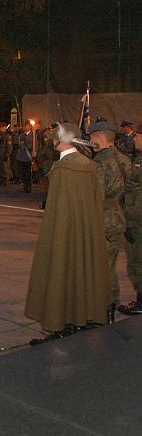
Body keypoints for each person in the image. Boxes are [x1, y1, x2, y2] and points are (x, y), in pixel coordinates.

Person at [25, 123, 112, 344]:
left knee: (61, 267)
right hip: (85, 231)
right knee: (82, 267)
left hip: (64, 231)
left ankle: (60, 320)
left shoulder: (63, 170)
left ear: (60, 140)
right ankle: (83, 315)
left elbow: (58, 212)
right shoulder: (89, 165)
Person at [89, 121, 132, 322]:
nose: (90, 140)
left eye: (92, 137)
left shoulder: (99, 162)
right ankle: (110, 304)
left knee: (102, 266)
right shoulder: (124, 159)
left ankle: (106, 306)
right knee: (111, 263)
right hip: (118, 214)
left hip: (103, 217)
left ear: (99, 137)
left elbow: (97, 194)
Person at [120, 134, 142, 316]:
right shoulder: (136, 159)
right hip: (135, 217)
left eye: (138, 135)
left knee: (138, 259)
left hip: (138, 220)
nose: (135, 138)